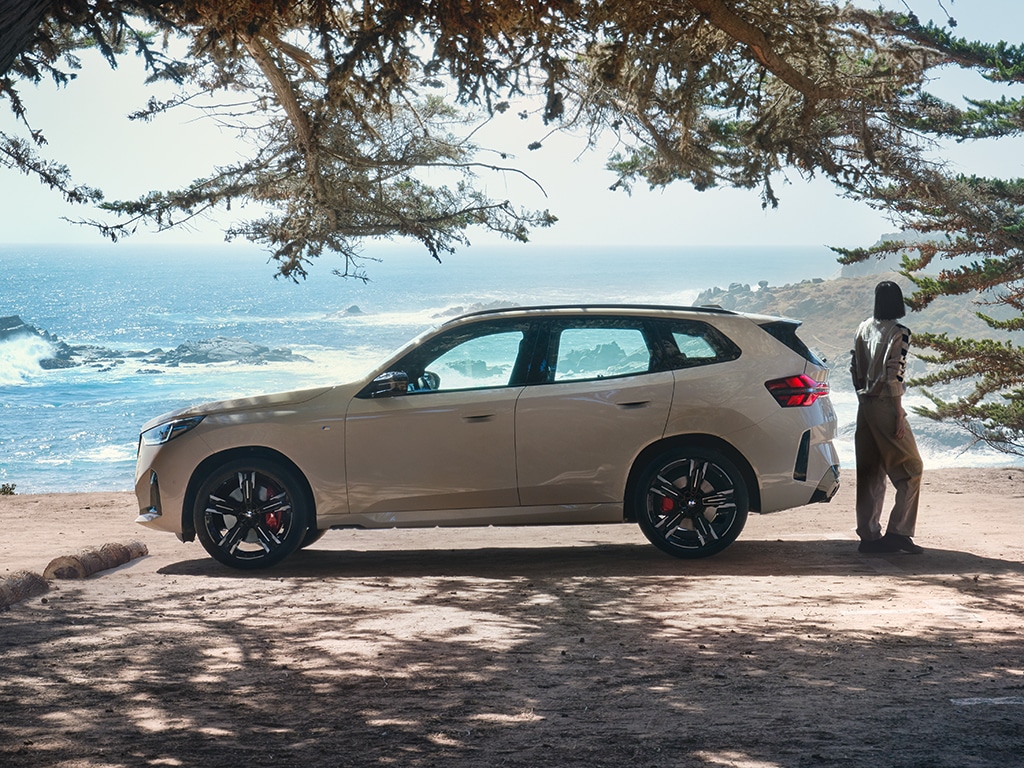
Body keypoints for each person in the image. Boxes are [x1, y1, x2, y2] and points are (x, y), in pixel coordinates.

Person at [850, 281, 925, 554]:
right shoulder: (899, 332)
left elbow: (853, 367)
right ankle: (898, 533)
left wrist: (862, 396)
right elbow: (895, 375)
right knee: (912, 469)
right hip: (885, 405)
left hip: (864, 405)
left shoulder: (862, 328)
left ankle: (869, 537)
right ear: (898, 302)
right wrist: (898, 412)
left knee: (870, 472)